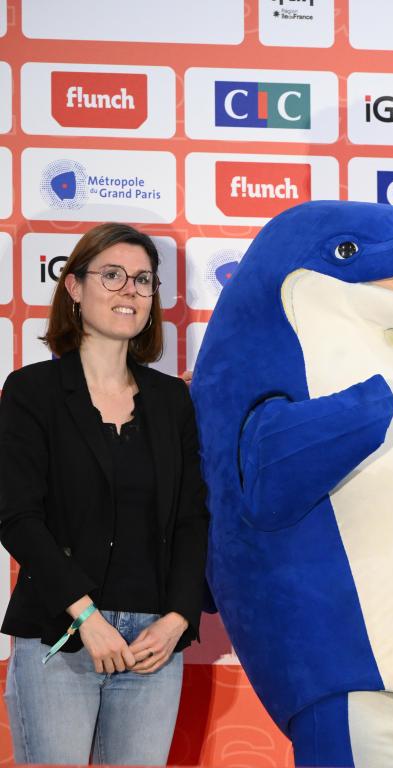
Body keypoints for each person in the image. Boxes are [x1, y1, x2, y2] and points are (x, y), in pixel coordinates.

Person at [0, 223, 209, 766]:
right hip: (61, 637)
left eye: (143, 280)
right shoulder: (31, 392)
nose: (130, 291)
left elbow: (192, 519)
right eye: (111, 275)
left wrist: (180, 617)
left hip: (152, 648)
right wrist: (84, 617)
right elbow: (17, 515)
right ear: (74, 287)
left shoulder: (171, 402)